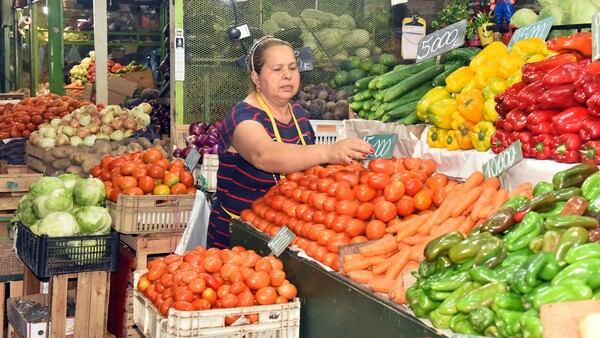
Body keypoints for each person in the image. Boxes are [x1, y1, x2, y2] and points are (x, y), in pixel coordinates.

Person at [207, 36, 374, 248]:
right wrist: (328, 151)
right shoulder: (241, 117)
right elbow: (263, 155)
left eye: (293, 68)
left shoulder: (298, 113)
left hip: (284, 231)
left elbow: (308, 167)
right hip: (236, 235)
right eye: (277, 69)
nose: (287, 76)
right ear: (256, 78)